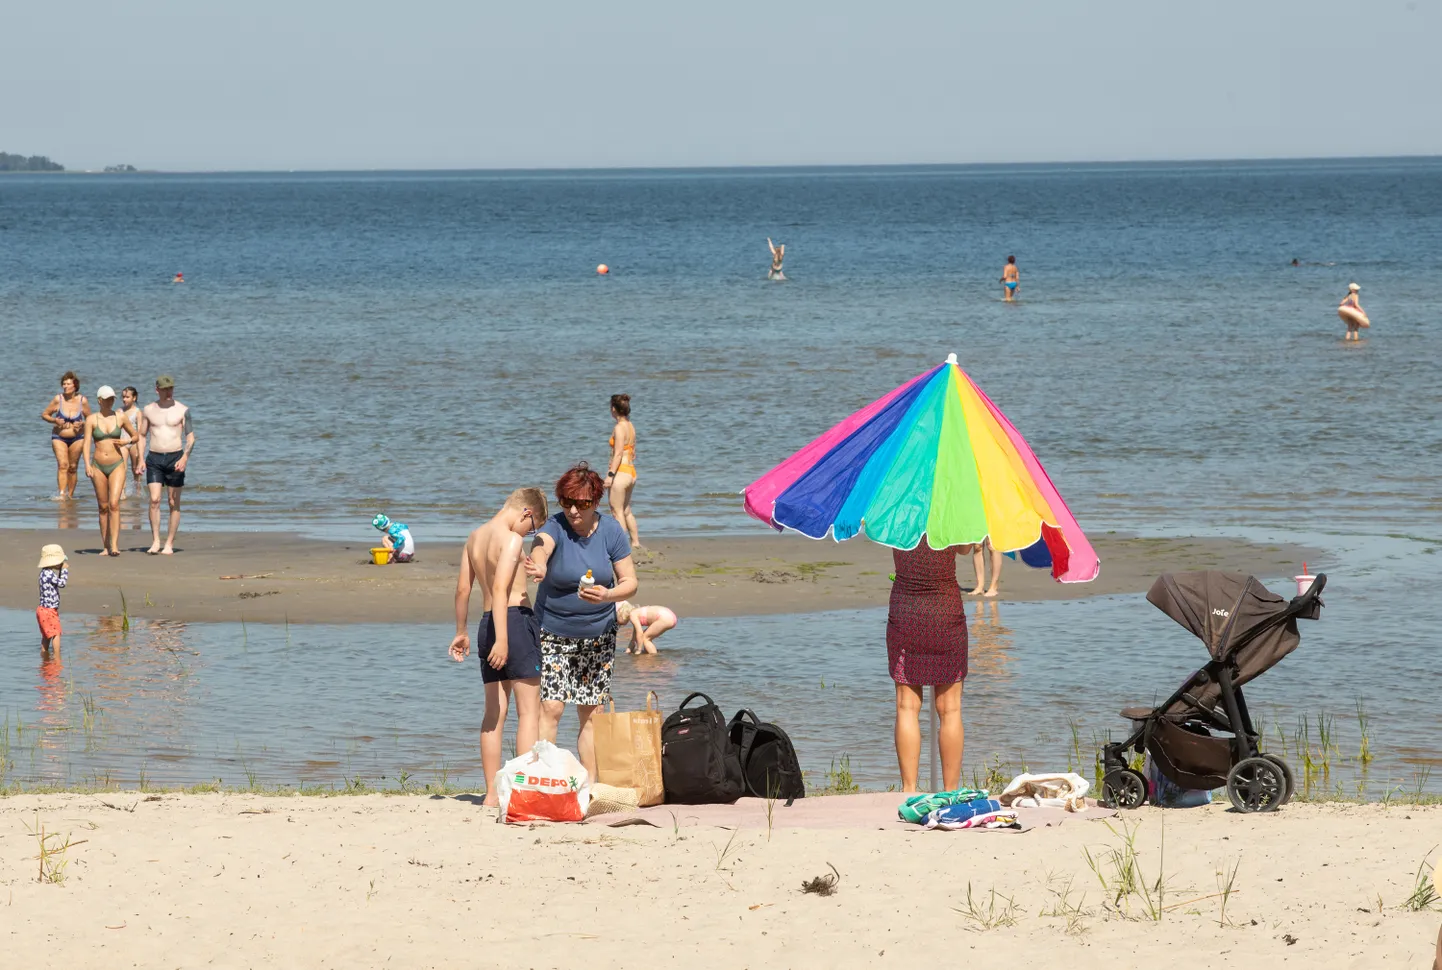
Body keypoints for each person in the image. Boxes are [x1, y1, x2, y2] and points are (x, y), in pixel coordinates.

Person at [524, 463, 639, 778]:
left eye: (583, 503)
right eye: (567, 502)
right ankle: (544, 779)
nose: (574, 510)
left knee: (591, 713)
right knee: (552, 708)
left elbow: (630, 581)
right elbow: (541, 548)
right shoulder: (555, 527)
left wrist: (608, 595)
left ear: (596, 502)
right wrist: (539, 566)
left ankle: (589, 785)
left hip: (599, 635)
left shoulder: (612, 531)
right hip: (552, 632)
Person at [448, 488, 550, 807]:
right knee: (529, 712)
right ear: (525, 513)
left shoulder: (474, 537)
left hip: (485, 623)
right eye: (531, 527)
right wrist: (505, 639)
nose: (528, 533)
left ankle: (492, 795)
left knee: (494, 713)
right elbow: (500, 586)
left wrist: (461, 631)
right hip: (514, 623)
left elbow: (464, 590)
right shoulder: (511, 538)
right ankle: (522, 792)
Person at [888, 539, 969, 792]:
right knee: (950, 709)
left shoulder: (896, 507)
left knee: (906, 706)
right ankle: (950, 791)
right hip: (945, 607)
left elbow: (878, 530)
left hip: (906, 609)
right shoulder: (950, 507)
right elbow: (966, 548)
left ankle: (908, 790)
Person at [137, 375, 195, 555]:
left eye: (170, 388)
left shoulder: (183, 410)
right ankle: (155, 541)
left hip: (175, 458)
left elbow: (191, 437)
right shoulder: (148, 410)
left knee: (173, 502)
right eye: (164, 389)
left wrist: (185, 457)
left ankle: (169, 543)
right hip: (154, 458)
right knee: (154, 499)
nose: (168, 392)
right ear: (157, 389)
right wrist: (140, 458)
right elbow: (141, 435)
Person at [82, 386, 138, 557]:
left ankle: (114, 545)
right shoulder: (92, 419)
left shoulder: (120, 416)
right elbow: (86, 444)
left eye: (112, 398)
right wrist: (86, 465)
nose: (110, 401)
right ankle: (105, 546)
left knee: (114, 504)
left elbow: (135, 435)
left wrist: (125, 442)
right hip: (98, 465)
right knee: (103, 506)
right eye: (107, 399)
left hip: (117, 464)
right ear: (99, 400)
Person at [41, 372, 90, 500]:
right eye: (63, 383)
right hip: (59, 437)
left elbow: (91, 420)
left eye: (68, 384)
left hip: (77, 438)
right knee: (63, 465)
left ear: (75, 385)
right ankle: (62, 495)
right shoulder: (58, 399)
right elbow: (45, 414)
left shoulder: (82, 401)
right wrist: (54, 421)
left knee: (73, 467)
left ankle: (71, 496)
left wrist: (82, 423)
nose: (65, 386)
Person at [605, 393, 641, 548]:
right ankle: (635, 543)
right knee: (626, 510)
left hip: (621, 473)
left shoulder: (619, 428)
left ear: (613, 409)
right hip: (631, 471)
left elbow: (618, 453)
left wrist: (610, 475)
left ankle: (621, 545)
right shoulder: (630, 425)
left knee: (616, 511)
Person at [36, 544, 68, 655]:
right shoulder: (49, 574)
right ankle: (57, 657)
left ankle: (44, 656)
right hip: (49, 611)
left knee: (46, 635)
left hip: (42, 610)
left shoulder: (44, 573)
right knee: (56, 634)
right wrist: (64, 571)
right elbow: (62, 583)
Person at [119, 386, 143, 498]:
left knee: (135, 469)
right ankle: (122, 492)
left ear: (134, 398)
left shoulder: (137, 412)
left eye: (127, 397)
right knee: (122, 468)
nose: (124, 399)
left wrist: (139, 448)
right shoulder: (119, 411)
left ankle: (137, 492)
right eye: (123, 397)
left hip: (134, 442)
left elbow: (140, 432)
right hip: (122, 442)